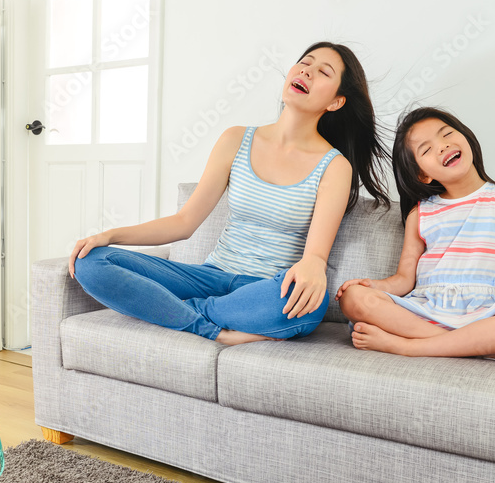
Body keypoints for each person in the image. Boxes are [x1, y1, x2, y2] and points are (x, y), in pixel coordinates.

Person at [69, 42, 390, 345]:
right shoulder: (236, 139)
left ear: (336, 102)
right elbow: (184, 222)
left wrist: (314, 267)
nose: (307, 71)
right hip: (208, 277)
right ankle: (212, 328)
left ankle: (169, 309)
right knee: (93, 262)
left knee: (309, 303)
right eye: (305, 63)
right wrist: (108, 235)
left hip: (266, 288)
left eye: (323, 72)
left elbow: (314, 260)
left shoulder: (334, 166)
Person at [336, 107, 495, 363]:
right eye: (426, 149)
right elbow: (404, 279)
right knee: (354, 299)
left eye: (446, 134)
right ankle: (478, 346)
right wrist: (373, 286)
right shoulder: (420, 213)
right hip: (425, 307)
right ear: (423, 175)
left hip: (483, 313)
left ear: (465, 137)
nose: (442, 146)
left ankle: (408, 347)